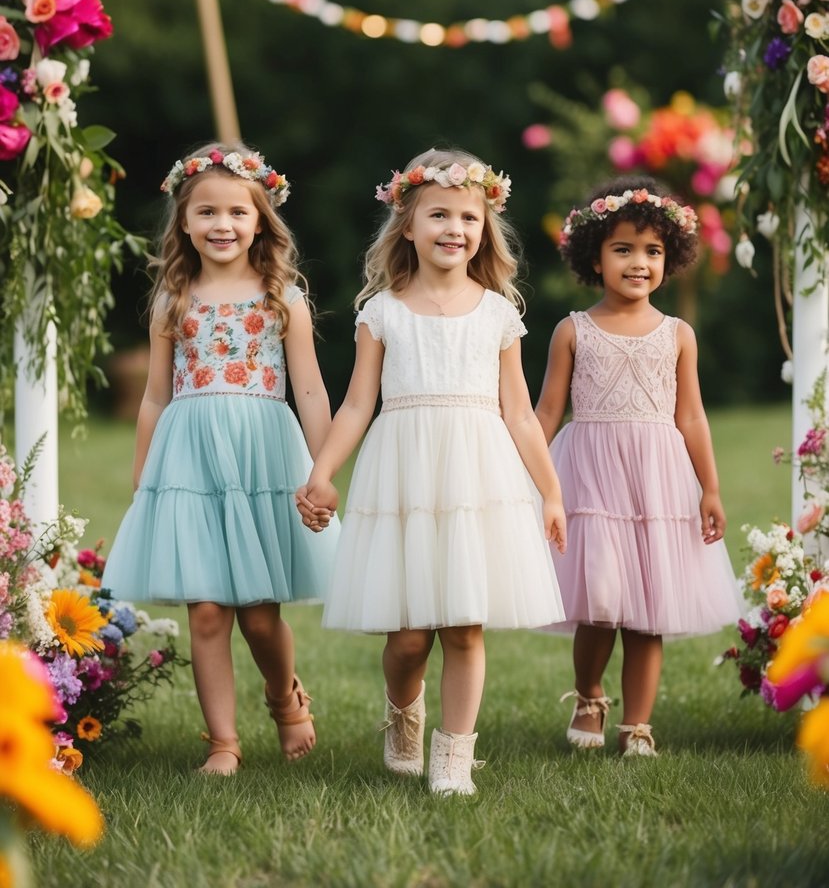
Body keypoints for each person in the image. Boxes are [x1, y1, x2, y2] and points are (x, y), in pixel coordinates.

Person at [296, 147, 567, 796]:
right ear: (407, 226)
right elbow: (358, 402)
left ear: (484, 228)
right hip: (406, 472)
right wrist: (323, 471)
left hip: (477, 475)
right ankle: (402, 710)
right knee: (411, 636)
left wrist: (549, 493)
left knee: (464, 626)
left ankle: (453, 755)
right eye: (438, 215)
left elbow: (521, 415)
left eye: (467, 217)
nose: (453, 228)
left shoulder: (498, 313)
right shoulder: (382, 312)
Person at [102, 143, 339, 775]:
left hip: (261, 457)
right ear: (183, 221)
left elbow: (310, 389)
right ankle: (223, 743)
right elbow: (155, 396)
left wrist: (323, 471)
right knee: (207, 611)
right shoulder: (172, 300)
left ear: (261, 219)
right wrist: (144, 474)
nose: (222, 225)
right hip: (190, 460)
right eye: (206, 212)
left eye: (237, 211)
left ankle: (284, 696)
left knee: (260, 617)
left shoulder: (281, 297)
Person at [535, 175, 741, 757]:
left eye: (652, 251)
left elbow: (693, 416)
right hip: (592, 480)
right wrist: (522, 471)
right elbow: (546, 411)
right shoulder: (572, 330)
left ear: (669, 259)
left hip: (658, 483)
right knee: (600, 604)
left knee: (650, 610)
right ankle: (590, 695)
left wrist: (710, 488)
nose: (638, 262)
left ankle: (639, 725)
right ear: (594, 257)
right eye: (623, 249)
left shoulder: (678, 335)